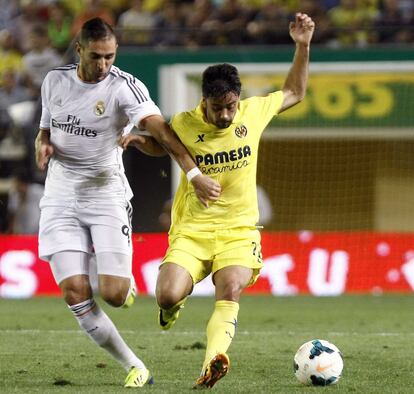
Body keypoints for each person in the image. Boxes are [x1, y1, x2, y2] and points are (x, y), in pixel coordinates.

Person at [121, 12, 315, 389]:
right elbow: (163, 149)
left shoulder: (252, 113)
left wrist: (303, 46)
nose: (225, 115)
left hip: (239, 231)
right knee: (166, 295)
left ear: (237, 99)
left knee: (230, 288)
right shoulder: (184, 123)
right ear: (204, 101)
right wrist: (139, 143)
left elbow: (295, 92)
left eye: (230, 106)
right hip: (192, 229)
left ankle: (213, 361)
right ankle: (172, 308)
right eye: (217, 108)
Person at [35, 17, 220, 388]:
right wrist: (42, 144)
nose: (104, 64)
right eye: (96, 56)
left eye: (110, 56)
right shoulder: (54, 80)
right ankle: (136, 366)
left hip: (106, 194)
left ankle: (124, 284)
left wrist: (195, 175)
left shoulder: (125, 88)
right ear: (79, 51)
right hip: (60, 195)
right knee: (74, 292)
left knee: (115, 295)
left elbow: (162, 132)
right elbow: (46, 127)